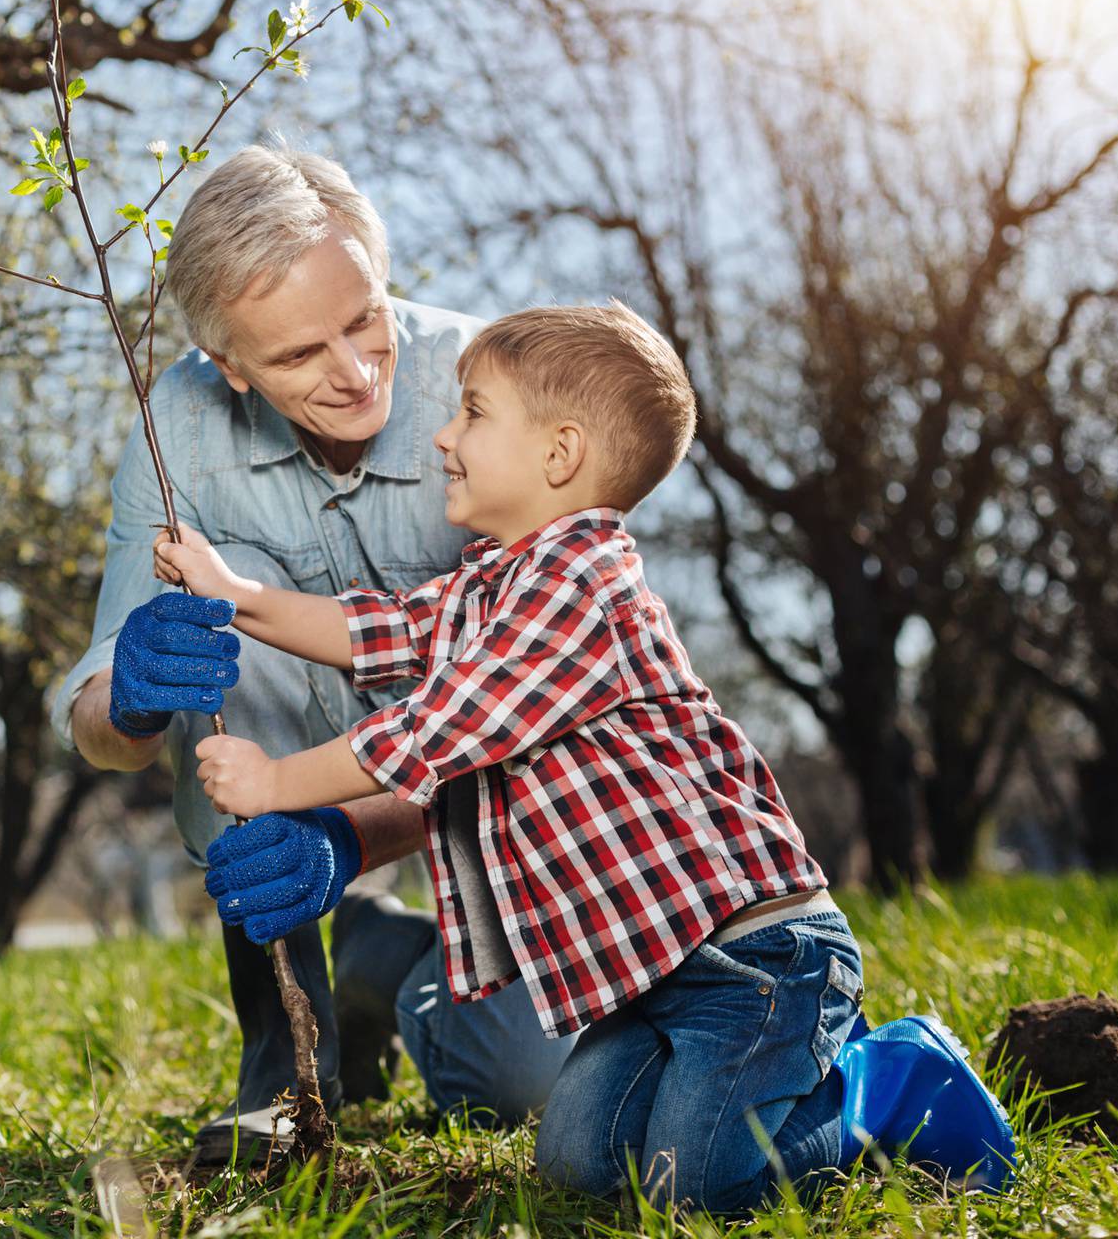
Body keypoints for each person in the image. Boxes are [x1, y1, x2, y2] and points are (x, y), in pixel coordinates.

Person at [154, 303, 1017, 1210]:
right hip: (650, 975)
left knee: (699, 1186)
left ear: (560, 455)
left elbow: (445, 723)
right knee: (580, 1166)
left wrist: (279, 783)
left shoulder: (585, 586)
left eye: (474, 414)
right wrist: (236, 592)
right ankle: (737, 1109)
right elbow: (374, 628)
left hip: (754, 958)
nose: (444, 438)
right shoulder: (496, 583)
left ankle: (888, 1090)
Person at [50, 144, 580, 1164]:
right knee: (217, 603)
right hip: (287, 769)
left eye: (364, 318)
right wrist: (130, 700)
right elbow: (97, 726)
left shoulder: (491, 397)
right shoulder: (183, 432)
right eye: (299, 356)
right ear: (230, 366)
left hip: (487, 798)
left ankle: (387, 959)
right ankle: (286, 1054)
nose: (354, 372)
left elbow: (553, 717)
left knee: (531, 1083)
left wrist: (344, 839)